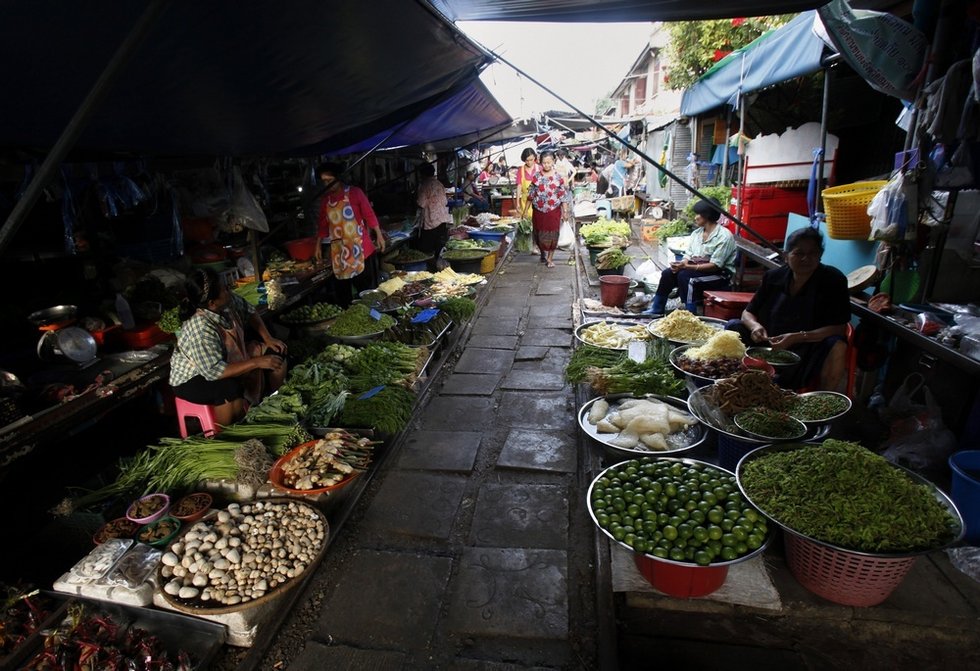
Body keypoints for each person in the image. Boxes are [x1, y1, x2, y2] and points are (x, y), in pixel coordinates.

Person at [726, 227, 850, 392]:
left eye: (813, 253)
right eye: (799, 253)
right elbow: (748, 313)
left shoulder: (833, 280)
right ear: (786, 255)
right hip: (770, 342)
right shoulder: (774, 277)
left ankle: (822, 398)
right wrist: (755, 327)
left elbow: (839, 327)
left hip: (809, 345)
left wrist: (798, 337)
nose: (806, 258)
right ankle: (735, 381)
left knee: (837, 345)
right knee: (732, 327)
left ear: (820, 255)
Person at [169, 268, 287, 426]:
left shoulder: (226, 302)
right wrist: (257, 362)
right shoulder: (201, 328)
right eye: (224, 289)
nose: (228, 289)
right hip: (193, 377)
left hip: (224, 358)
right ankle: (228, 433)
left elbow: (249, 311)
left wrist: (268, 338)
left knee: (277, 352)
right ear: (211, 303)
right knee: (229, 388)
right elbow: (214, 371)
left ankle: (273, 404)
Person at [645, 197, 736, 316]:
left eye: (698, 214)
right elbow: (688, 254)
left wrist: (687, 267)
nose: (695, 217)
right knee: (668, 274)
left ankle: (690, 315)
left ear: (706, 215)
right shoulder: (696, 234)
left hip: (719, 275)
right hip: (698, 270)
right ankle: (656, 309)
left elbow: (715, 266)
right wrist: (682, 263)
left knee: (687, 278)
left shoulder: (724, 236)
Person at [314, 162, 386, 307]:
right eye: (324, 182)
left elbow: (369, 215)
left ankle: (371, 318)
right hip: (340, 253)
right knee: (343, 293)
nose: (327, 184)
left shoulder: (355, 193)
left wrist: (379, 235)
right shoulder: (325, 201)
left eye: (330, 180)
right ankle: (349, 319)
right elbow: (323, 225)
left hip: (361, 250)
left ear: (338, 178)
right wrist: (318, 246)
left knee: (366, 291)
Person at [521, 150, 571, 268]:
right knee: (538, 233)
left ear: (553, 162)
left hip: (553, 210)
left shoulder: (558, 178)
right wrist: (524, 211)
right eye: (544, 163)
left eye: (549, 163)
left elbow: (563, 197)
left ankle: (550, 258)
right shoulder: (536, 176)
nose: (546, 165)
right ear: (540, 163)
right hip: (539, 210)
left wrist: (565, 212)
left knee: (553, 234)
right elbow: (530, 195)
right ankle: (542, 252)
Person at [415, 162, 450, 271]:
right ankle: (442, 271)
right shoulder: (438, 183)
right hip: (443, 219)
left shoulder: (425, 185)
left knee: (428, 250)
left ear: (422, 174)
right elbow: (445, 200)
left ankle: (432, 271)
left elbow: (421, 203)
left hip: (431, 221)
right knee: (440, 248)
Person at [515, 147, 540, 215]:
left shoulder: (539, 168)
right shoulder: (521, 170)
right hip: (525, 200)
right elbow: (519, 187)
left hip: (538, 200)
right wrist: (517, 203)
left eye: (531, 160)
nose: (529, 162)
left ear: (534, 157)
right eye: (527, 160)